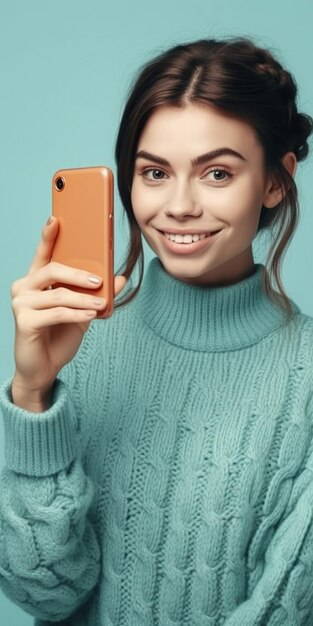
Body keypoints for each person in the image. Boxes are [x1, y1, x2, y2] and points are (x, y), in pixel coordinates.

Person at [0, 35, 313, 626]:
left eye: (217, 172)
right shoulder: (81, 345)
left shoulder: (306, 379)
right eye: (154, 172)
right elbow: (47, 594)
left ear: (275, 180)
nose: (179, 206)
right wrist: (33, 394)